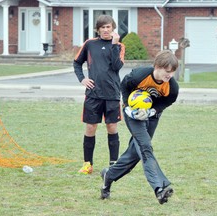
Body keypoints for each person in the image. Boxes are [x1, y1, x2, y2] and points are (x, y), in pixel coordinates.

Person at [100, 49, 179, 204]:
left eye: (173, 72)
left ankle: (108, 176)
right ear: (157, 66)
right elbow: (124, 86)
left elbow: (167, 101)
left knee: (135, 153)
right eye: (167, 71)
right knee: (145, 146)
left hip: (152, 115)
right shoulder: (139, 75)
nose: (169, 75)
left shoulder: (172, 87)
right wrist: (128, 106)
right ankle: (160, 188)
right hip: (133, 113)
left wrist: (152, 111)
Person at [73, 15, 125, 174]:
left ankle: (114, 164)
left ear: (113, 28)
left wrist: (114, 45)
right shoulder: (90, 44)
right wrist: (82, 79)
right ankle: (87, 164)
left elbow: (117, 66)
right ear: (98, 29)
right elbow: (76, 62)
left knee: (112, 127)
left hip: (112, 94)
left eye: (108, 27)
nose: (106, 30)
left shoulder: (119, 46)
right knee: (90, 127)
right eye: (102, 27)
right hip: (93, 94)